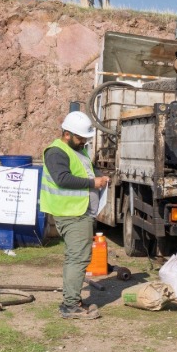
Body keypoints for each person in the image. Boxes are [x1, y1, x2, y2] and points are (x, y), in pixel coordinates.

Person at [40, 111, 110, 319]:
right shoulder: (56, 152)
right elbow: (62, 179)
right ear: (67, 134)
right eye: (80, 138)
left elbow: (86, 169)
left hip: (81, 210)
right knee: (78, 257)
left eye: (86, 138)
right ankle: (70, 306)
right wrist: (92, 183)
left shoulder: (78, 149)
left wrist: (98, 176)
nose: (83, 142)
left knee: (78, 256)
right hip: (71, 212)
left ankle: (73, 299)